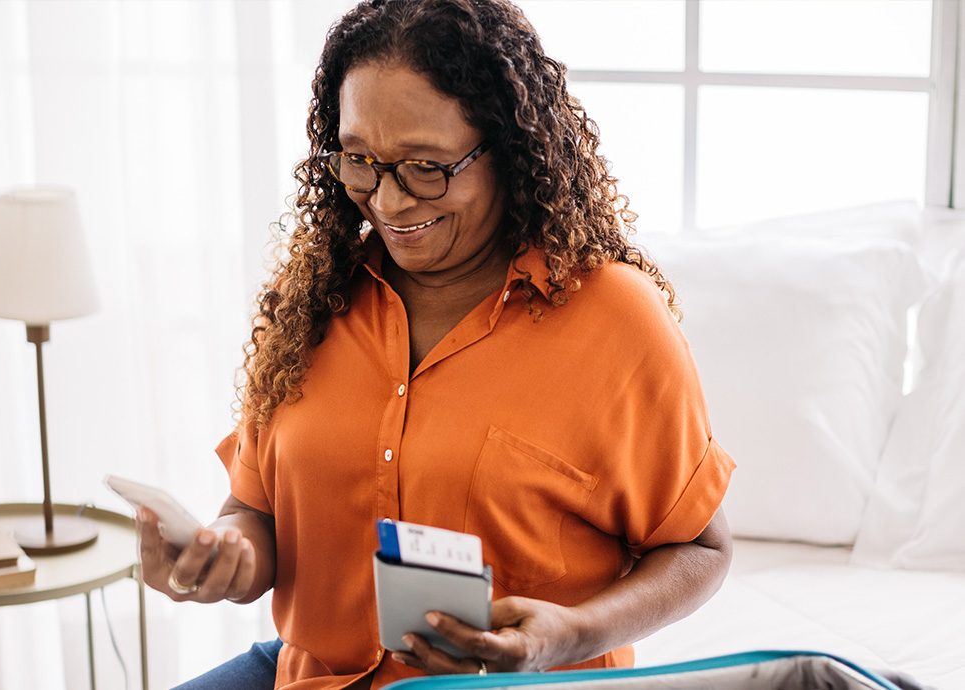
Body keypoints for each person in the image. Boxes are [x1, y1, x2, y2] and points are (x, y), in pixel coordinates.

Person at [137, 1, 736, 688]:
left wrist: (571, 634)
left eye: (426, 167)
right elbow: (257, 511)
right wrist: (223, 558)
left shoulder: (614, 318)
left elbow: (701, 550)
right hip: (311, 674)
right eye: (359, 159)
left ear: (509, 149)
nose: (388, 201)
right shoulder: (313, 298)